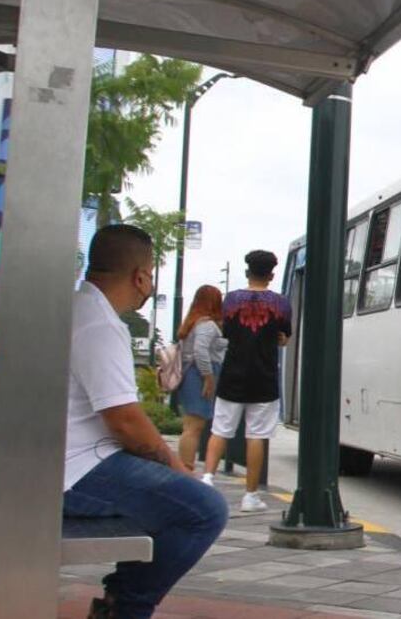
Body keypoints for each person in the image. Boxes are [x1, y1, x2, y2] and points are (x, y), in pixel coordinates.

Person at [63, 224, 228, 619]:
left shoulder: (78, 308)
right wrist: (177, 468)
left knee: (171, 500)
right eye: (151, 274)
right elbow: (125, 422)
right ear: (140, 277)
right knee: (204, 509)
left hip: (61, 461)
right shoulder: (101, 326)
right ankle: (126, 608)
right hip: (75, 472)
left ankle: (119, 601)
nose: (151, 284)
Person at [202, 250, 291, 513]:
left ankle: (207, 479)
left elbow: (226, 331)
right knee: (256, 436)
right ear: (271, 275)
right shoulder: (281, 303)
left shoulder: (230, 300)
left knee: (220, 430)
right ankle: (250, 496)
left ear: (246, 272)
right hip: (264, 377)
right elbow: (284, 337)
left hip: (232, 374)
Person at [175, 285, 227, 472]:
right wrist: (208, 377)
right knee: (195, 426)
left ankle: (184, 466)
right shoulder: (206, 325)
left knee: (190, 424)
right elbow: (200, 350)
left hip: (190, 375)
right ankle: (186, 467)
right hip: (198, 375)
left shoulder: (193, 322)